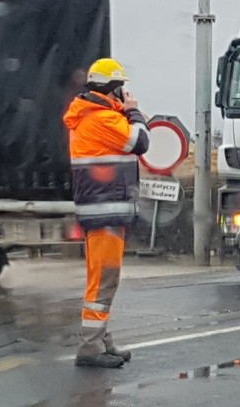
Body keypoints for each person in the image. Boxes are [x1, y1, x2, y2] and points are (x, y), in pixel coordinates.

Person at [62, 58, 150, 369]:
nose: (124, 94)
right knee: (102, 280)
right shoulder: (103, 120)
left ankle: (100, 339)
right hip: (106, 213)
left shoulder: (94, 118)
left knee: (102, 279)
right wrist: (134, 111)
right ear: (112, 89)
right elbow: (141, 142)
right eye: (121, 89)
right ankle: (90, 345)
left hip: (103, 212)